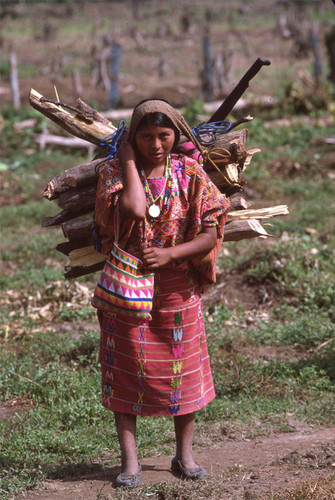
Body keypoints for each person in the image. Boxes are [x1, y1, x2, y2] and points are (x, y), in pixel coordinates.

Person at [93, 98, 230, 488]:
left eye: (164, 135)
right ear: (132, 138)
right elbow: (135, 208)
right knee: (125, 373)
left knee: (182, 372)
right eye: (146, 136)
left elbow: (209, 232)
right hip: (127, 286)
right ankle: (130, 463)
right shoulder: (112, 173)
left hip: (176, 289)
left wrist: (170, 253)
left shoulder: (190, 172)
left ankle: (184, 455)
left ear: (176, 134)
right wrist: (127, 159)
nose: (156, 144)